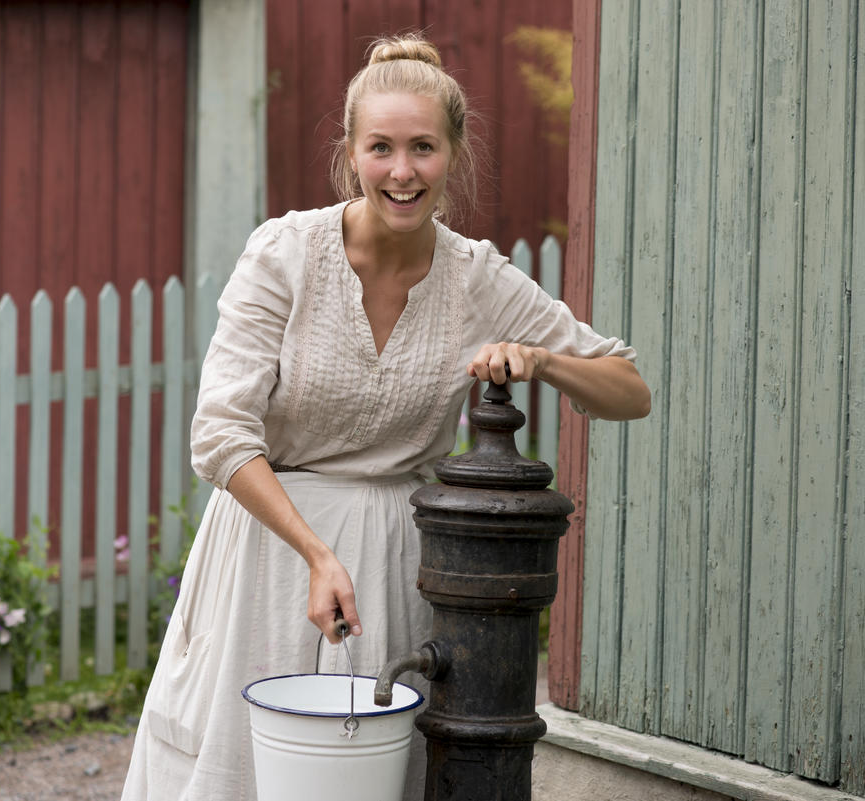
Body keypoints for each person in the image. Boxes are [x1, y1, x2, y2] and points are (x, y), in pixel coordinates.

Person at [120, 32, 650, 801]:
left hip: (397, 566)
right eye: (382, 148)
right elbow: (222, 435)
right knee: (247, 769)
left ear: (454, 155)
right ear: (350, 152)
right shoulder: (284, 255)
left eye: (423, 148)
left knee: (366, 774)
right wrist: (315, 553)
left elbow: (628, 389)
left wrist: (544, 361)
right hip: (270, 555)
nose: (402, 172)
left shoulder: (477, 277)